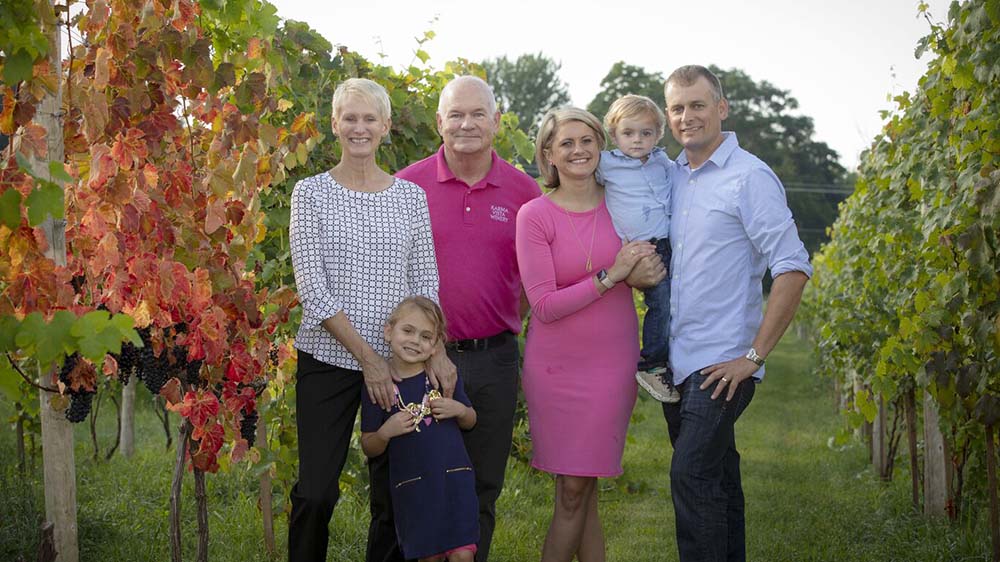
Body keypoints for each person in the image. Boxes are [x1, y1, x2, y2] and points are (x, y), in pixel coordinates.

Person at [370, 75, 541, 562]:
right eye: (456, 115)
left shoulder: (523, 191)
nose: (467, 124)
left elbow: (530, 283)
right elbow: (388, 275)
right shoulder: (405, 186)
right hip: (413, 363)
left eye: (478, 114)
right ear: (439, 122)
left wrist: (499, 320)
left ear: (497, 122)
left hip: (492, 362)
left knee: (480, 487)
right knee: (399, 486)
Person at [661, 65, 812, 562]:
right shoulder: (671, 178)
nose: (687, 116)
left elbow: (792, 266)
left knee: (691, 475)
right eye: (678, 107)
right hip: (676, 365)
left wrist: (754, 355)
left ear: (721, 109)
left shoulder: (749, 177)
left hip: (722, 366)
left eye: (698, 105)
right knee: (718, 480)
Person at [287, 77, 440, 562]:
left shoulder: (410, 198)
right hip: (329, 360)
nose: (359, 127)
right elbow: (313, 289)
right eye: (349, 118)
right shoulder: (309, 195)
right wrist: (368, 359)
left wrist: (430, 354)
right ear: (334, 124)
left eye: (369, 118)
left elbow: (426, 285)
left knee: (395, 495)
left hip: (399, 366)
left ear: (386, 126)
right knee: (315, 492)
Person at [515, 106, 659, 561]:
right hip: (555, 368)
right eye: (566, 144)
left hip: (611, 364)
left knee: (584, 486)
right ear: (549, 155)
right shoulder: (534, 216)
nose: (578, 150)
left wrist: (642, 274)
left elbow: (651, 265)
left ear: (601, 144)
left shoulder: (622, 203)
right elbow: (544, 305)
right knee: (574, 489)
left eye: (587, 140)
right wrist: (611, 275)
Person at [361, 296, 479, 562]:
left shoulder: (441, 377)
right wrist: (386, 432)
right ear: (388, 331)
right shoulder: (378, 385)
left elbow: (471, 419)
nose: (415, 341)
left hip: (454, 482)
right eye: (408, 331)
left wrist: (458, 410)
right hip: (414, 490)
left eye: (426, 336)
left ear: (436, 344)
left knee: (463, 555)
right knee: (429, 556)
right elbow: (369, 445)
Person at [597, 94, 679, 403]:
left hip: (669, 242)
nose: (637, 140)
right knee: (660, 302)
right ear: (614, 134)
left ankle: (673, 357)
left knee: (676, 303)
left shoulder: (664, 163)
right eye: (628, 133)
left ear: (658, 134)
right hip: (641, 248)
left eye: (646, 133)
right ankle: (652, 364)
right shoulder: (606, 164)